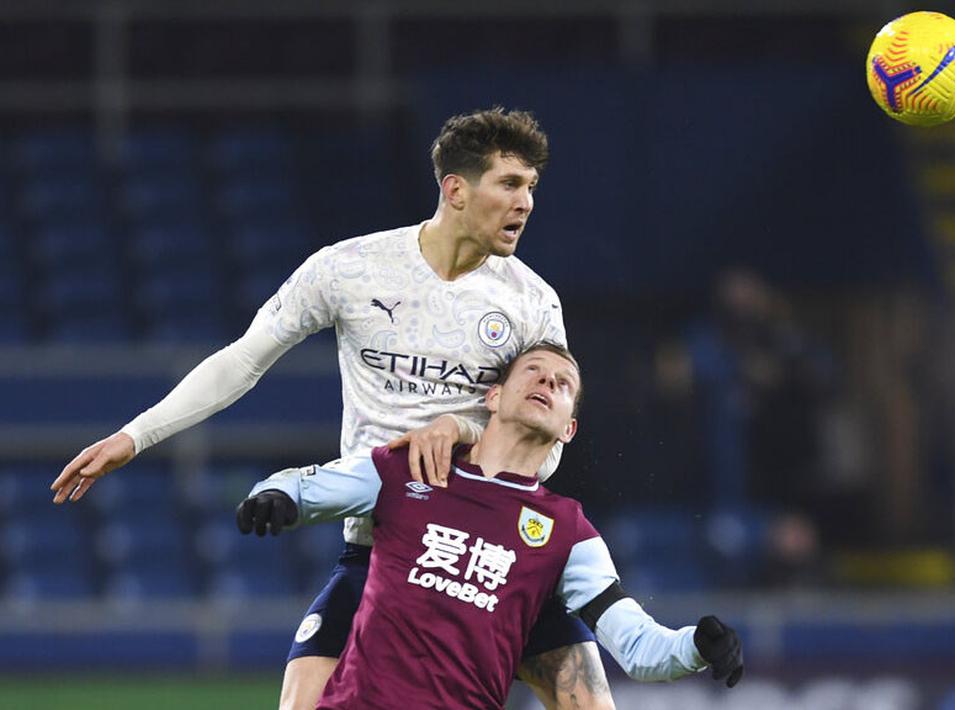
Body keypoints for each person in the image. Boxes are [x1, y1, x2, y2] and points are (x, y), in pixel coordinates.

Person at [50, 108, 615, 709]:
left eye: (531, 186)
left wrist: (459, 429)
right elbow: (243, 360)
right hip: (384, 554)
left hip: (490, 559)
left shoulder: (531, 303)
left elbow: (547, 447)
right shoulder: (350, 268)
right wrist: (135, 436)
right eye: (510, 184)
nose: (526, 202)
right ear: (455, 189)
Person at [237, 343, 744, 708]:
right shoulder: (410, 468)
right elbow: (306, 486)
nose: (548, 383)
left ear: (568, 429)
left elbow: (636, 645)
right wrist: (273, 496)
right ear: (493, 398)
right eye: (535, 372)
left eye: (563, 384)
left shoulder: (568, 531)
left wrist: (695, 646)